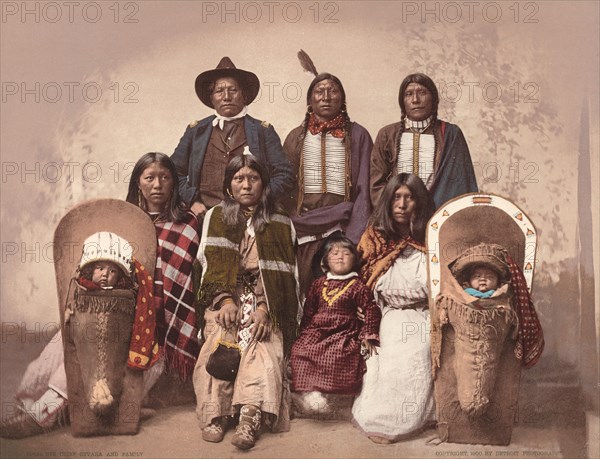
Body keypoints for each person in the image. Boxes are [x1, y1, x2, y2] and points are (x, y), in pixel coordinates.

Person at [0, 152, 201, 439]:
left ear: (174, 183)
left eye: (165, 177)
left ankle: (41, 416)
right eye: (149, 178)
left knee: (106, 364)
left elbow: (179, 283)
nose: (158, 184)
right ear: (138, 183)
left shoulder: (187, 225)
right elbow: (95, 271)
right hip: (106, 313)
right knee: (62, 348)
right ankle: (34, 407)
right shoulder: (121, 220)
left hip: (151, 332)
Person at [193, 155, 299, 450]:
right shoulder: (215, 217)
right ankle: (219, 413)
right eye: (239, 178)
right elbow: (209, 265)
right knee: (219, 341)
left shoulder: (279, 221)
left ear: (263, 183)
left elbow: (285, 275)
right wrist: (225, 300)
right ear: (229, 186)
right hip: (225, 296)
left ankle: (249, 417)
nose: (246, 184)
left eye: (253, 178)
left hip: (267, 300)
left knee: (262, 343)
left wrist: (265, 309)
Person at [352, 173, 436, 443]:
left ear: (419, 202)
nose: (401, 204)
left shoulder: (434, 236)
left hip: (424, 312)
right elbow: (361, 278)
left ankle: (412, 419)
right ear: (388, 202)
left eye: (409, 198)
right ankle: (381, 419)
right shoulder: (374, 237)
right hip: (387, 312)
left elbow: (444, 282)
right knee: (386, 354)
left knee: (418, 349)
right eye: (396, 198)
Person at [283, 57, 373, 296]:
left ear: (342, 99)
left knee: (341, 294)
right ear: (310, 100)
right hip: (303, 228)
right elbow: (283, 187)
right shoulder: (295, 138)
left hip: (342, 228)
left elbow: (365, 187)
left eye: (332, 91)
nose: (325, 97)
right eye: (319, 92)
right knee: (308, 294)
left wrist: (354, 235)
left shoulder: (358, 135)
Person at [171, 56, 293, 220]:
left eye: (233, 90)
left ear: (244, 95)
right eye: (219, 91)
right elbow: (172, 172)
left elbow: (285, 175)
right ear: (211, 98)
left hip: (253, 218)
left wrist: (261, 198)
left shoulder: (263, 131)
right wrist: (192, 200)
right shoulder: (196, 131)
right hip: (204, 217)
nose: (226, 97)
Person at [290, 234, 381, 416]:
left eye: (346, 253)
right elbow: (309, 310)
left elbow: (371, 309)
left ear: (354, 259)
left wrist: (368, 335)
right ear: (325, 261)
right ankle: (309, 391)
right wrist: (304, 332)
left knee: (338, 354)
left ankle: (332, 397)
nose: (340, 257)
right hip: (317, 330)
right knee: (301, 350)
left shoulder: (358, 286)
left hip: (343, 331)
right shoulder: (318, 284)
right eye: (334, 253)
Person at [369, 73, 478, 209]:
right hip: (396, 216)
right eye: (408, 94)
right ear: (402, 102)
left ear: (433, 98)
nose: (415, 100)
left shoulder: (451, 133)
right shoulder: (387, 134)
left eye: (422, 93)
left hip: (438, 214)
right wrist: (394, 210)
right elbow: (376, 184)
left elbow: (462, 184)